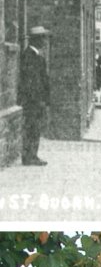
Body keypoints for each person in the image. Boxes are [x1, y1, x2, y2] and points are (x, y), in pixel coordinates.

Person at [18, 25, 51, 165]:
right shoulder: (28, 56)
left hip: (38, 100)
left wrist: (45, 99)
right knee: (31, 127)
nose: (45, 41)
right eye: (43, 38)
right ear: (36, 40)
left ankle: (33, 155)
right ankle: (29, 157)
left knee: (35, 128)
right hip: (32, 101)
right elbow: (31, 82)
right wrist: (38, 100)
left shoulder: (38, 56)